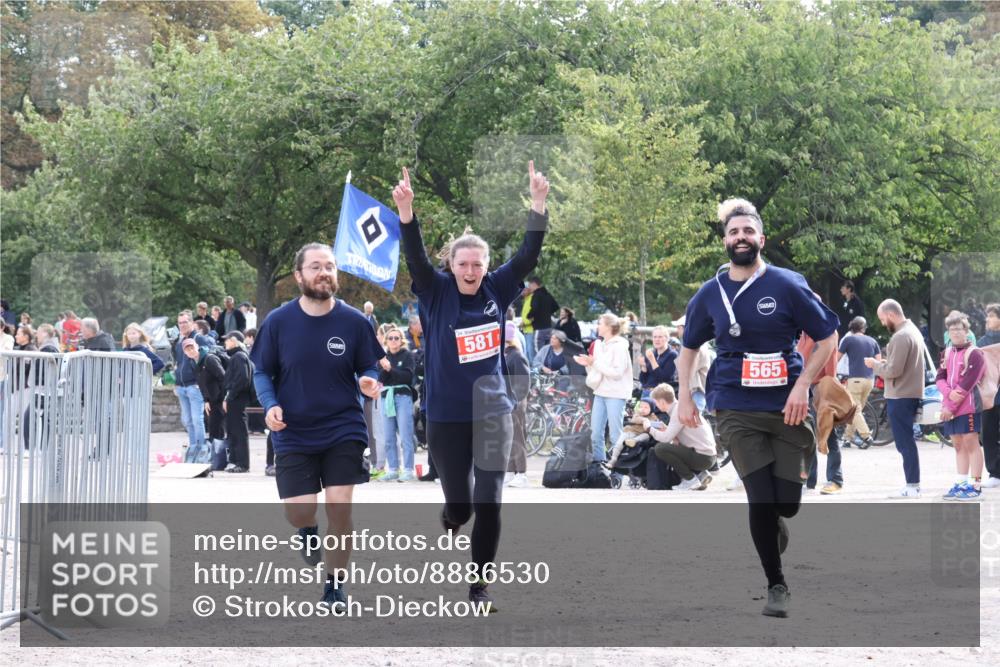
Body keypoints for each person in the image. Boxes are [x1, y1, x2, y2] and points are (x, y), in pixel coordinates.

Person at [392, 161, 549, 609]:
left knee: (491, 502)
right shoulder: (435, 290)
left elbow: (526, 258)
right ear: (452, 265)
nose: (471, 270)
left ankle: (479, 587)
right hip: (445, 415)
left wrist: (537, 204)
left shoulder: (496, 289)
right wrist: (407, 213)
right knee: (460, 507)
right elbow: (416, 258)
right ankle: (451, 514)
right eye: (464, 263)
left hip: (493, 411)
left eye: (478, 264)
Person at [675, 198, 839, 619]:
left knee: (786, 503)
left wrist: (804, 385)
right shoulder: (709, 294)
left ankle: (774, 525)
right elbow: (689, 348)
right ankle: (776, 583)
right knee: (760, 500)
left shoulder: (787, 284)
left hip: (786, 404)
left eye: (748, 232)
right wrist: (683, 397)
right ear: (725, 242)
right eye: (733, 232)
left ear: (761, 239)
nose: (741, 238)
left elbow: (828, 337)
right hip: (734, 403)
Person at [251, 242, 383, 610]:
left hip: (344, 426)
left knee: (340, 509)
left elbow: (369, 366)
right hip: (292, 428)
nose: (324, 272)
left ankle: (335, 585)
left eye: (330, 266)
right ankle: (307, 529)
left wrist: (368, 381)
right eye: (315, 267)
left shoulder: (355, 321)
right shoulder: (278, 321)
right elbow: (262, 370)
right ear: (298, 276)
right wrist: (270, 404)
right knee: (299, 511)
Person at [864, 299, 926, 498]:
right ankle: (912, 484)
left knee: (904, 442)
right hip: (909, 392)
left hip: (901, 395)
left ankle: (912, 485)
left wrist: (875, 364)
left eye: (883, 319)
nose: (883, 323)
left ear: (891, 315)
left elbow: (893, 370)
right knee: (906, 441)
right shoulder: (912, 330)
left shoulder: (900, 336)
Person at [936, 311, 987, 500]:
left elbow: (966, 386)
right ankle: (960, 483)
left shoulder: (975, 354)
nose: (955, 332)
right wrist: (948, 397)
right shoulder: (946, 352)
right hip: (950, 407)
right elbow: (939, 378)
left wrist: (949, 406)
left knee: (971, 444)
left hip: (969, 408)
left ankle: (976, 486)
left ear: (967, 331)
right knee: (958, 445)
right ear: (948, 332)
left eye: (959, 329)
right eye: (951, 329)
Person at [573, 313, 634, 465]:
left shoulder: (620, 347)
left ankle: (619, 470)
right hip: (600, 392)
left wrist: (594, 362)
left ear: (608, 327)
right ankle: (600, 468)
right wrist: (588, 363)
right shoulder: (600, 345)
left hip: (616, 394)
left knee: (615, 435)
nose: (597, 326)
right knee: (595, 435)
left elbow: (617, 373)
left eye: (600, 323)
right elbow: (598, 371)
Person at [648, 383, 718, 490]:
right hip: (708, 456)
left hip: (703, 458)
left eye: (656, 402)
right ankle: (700, 475)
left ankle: (690, 480)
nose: (656, 405)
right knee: (673, 447)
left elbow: (665, 438)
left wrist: (649, 428)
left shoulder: (677, 412)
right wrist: (666, 429)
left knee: (660, 448)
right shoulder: (680, 407)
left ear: (662, 402)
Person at [378, 326, 417, 482]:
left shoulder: (407, 356)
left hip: (402, 397)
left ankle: (408, 469)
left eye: (397, 338)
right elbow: (380, 379)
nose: (394, 341)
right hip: (386, 397)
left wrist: (390, 369)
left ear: (401, 340)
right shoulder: (383, 357)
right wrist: (386, 368)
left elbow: (407, 377)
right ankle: (393, 468)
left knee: (406, 435)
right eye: (391, 338)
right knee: (388, 436)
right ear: (386, 341)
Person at [173, 310, 214, 453]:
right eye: (180, 323)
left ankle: (202, 448)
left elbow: (209, 359)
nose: (182, 325)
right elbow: (178, 363)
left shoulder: (199, 338)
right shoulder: (179, 342)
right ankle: (192, 448)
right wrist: (176, 382)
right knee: (187, 421)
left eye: (185, 322)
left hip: (195, 386)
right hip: (182, 386)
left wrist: (202, 381)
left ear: (192, 323)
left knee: (197, 419)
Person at [837, 316, 880, 448]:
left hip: (855, 379)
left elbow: (836, 358)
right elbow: (879, 361)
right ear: (864, 328)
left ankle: (866, 436)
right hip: (870, 379)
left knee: (854, 410)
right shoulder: (873, 341)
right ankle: (847, 438)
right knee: (857, 411)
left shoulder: (848, 340)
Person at [185, 337, 226, 465]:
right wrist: (206, 400)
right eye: (187, 349)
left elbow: (223, 377)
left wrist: (224, 398)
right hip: (211, 400)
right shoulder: (193, 363)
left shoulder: (209, 359)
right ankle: (215, 458)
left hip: (220, 399)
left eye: (192, 347)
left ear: (197, 346)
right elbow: (201, 383)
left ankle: (219, 460)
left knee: (217, 428)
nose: (190, 351)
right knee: (213, 428)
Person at [221, 331, 253, 473]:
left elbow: (242, 379)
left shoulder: (239, 356)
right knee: (233, 431)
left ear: (234, 341)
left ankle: (242, 463)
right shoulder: (237, 356)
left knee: (239, 431)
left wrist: (230, 396)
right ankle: (235, 461)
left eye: (227, 340)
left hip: (237, 399)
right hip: (235, 398)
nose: (225, 343)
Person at [503, 322, 531, 488]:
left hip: (515, 402)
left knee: (517, 438)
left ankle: (522, 473)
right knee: (509, 438)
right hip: (507, 401)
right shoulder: (506, 354)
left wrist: (513, 399)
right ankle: (510, 471)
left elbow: (523, 382)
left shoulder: (517, 356)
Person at [980, 303, 1000, 488]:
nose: (988, 319)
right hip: (989, 397)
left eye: (992, 316)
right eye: (988, 316)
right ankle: (995, 473)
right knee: (988, 434)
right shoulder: (982, 343)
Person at [607, 397, 656, 469]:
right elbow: (635, 419)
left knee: (646, 436)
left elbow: (655, 425)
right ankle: (613, 459)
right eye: (641, 407)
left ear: (651, 409)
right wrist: (644, 420)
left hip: (640, 435)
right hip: (630, 431)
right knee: (619, 443)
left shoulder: (653, 417)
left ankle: (633, 441)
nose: (642, 409)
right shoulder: (638, 414)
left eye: (646, 407)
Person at [638, 325, 678, 393]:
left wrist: (652, 360)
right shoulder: (652, 353)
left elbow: (663, 379)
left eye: (660, 337)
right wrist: (643, 366)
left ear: (667, 339)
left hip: (662, 394)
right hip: (647, 391)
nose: (657, 339)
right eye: (655, 337)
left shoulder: (672, 355)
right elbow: (643, 380)